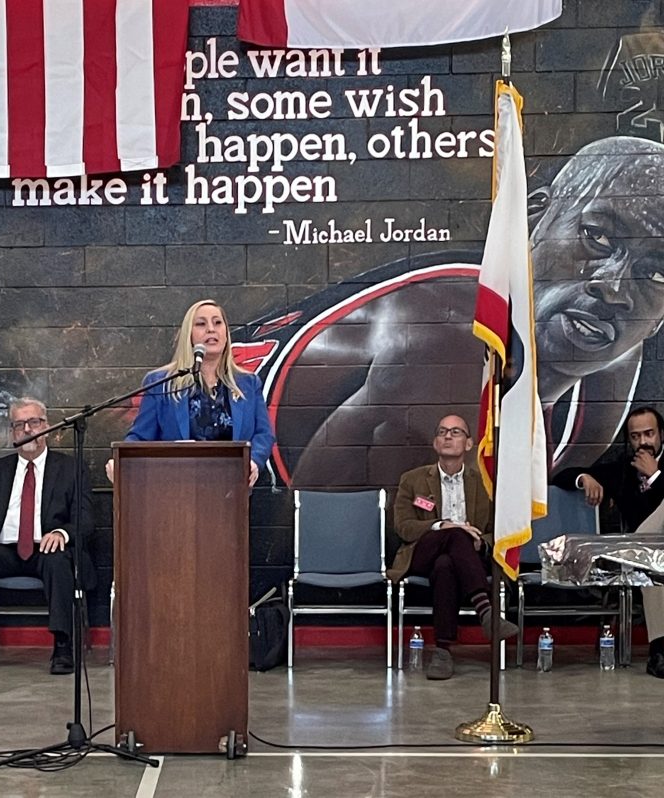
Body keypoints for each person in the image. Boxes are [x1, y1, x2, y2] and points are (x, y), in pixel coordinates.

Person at [233, 135, 664, 490]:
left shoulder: (613, 346)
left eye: (656, 272)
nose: (614, 289)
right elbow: (313, 523)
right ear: (532, 218)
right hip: (241, 421)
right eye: (596, 238)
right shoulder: (449, 339)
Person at [0, 397, 95, 675]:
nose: (28, 429)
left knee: (58, 558)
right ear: (12, 433)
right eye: (19, 425)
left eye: (34, 422)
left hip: (47, 548)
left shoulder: (70, 468)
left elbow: (86, 519)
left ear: (48, 427)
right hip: (5, 550)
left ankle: (63, 645)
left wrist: (63, 532)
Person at [390, 414, 519, 680]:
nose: (448, 436)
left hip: (468, 556)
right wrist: (442, 526)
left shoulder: (485, 484)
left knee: (446, 564)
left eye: (456, 432)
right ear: (436, 442)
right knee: (454, 535)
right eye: (442, 432)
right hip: (422, 553)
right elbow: (403, 527)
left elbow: (501, 531)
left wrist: (479, 540)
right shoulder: (412, 480)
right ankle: (486, 611)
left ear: (469, 444)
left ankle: (442, 651)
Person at [553, 406, 664, 678]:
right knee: (653, 567)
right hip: (648, 560)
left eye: (649, 434)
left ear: (662, 435)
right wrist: (585, 478)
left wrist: (655, 476)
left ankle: (643, 545)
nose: (643, 442)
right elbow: (561, 476)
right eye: (635, 436)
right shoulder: (621, 470)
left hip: (646, 551)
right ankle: (660, 652)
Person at [117, 299, 275, 487]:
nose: (211, 329)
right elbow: (140, 437)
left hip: (233, 490)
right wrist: (120, 461)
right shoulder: (161, 383)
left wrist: (254, 462)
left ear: (226, 333)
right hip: (177, 491)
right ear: (188, 335)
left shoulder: (248, 384)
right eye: (201, 324)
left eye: (217, 323)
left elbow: (263, 434)